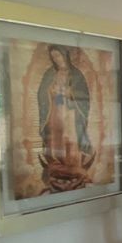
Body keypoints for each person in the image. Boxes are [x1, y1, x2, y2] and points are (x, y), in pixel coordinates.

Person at [37, 45, 93, 187]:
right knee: (55, 135)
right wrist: (50, 91)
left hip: (70, 112)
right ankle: (56, 163)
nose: (57, 59)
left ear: (65, 56)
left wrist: (71, 93)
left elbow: (84, 96)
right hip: (54, 109)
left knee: (70, 135)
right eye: (53, 57)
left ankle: (72, 163)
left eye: (58, 55)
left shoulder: (76, 74)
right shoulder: (49, 74)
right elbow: (41, 93)